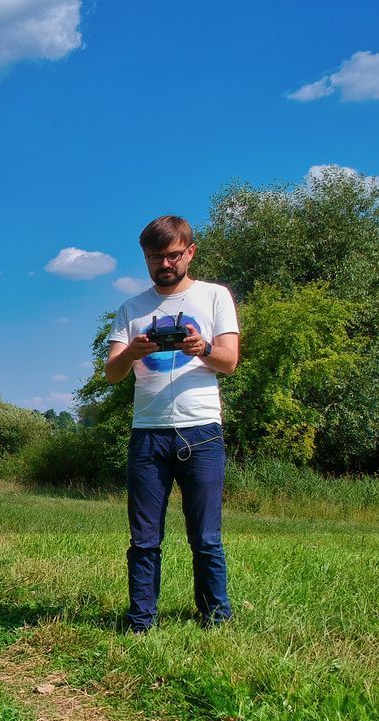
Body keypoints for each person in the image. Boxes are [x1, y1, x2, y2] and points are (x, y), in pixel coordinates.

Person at [104, 215, 240, 632]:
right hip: (148, 433)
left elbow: (229, 362)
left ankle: (215, 619)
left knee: (206, 537)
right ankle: (140, 620)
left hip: (202, 430)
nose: (165, 263)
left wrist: (201, 348)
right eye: (155, 257)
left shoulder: (216, 297)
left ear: (190, 252)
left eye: (173, 255)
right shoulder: (132, 308)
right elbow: (111, 373)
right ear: (145, 259)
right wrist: (133, 352)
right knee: (144, 538)